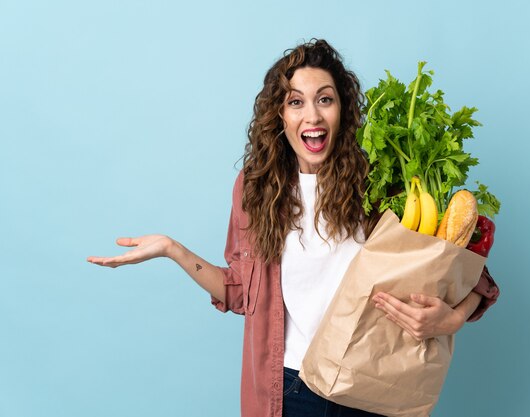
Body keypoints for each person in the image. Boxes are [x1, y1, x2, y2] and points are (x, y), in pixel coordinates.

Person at [87, 39, 499, 417]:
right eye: (296, 102)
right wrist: (172, 249)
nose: (313, 115)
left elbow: (469, 278)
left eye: (325, 99)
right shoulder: (256, 188)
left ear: (344, 110)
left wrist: (450, 320)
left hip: (375, 385)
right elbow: (240, 292)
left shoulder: (381, 183)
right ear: (279, 115)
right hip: (291, 390)